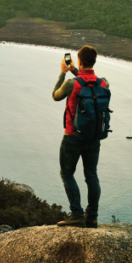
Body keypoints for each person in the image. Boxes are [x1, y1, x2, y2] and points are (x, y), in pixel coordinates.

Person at [52, 45, 109, 228]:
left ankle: (77, 215)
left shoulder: (72, 84)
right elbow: (87, 82)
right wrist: (75, 70)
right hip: (94, 137)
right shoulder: (103, 83)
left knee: (67, 174)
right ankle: (92, 216)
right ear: (94, 61)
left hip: (72, 137)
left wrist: (63, 72)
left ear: (79, 61)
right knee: (91, 175)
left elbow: (55, 95)